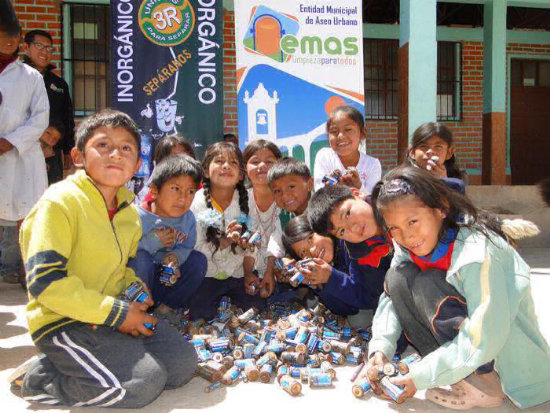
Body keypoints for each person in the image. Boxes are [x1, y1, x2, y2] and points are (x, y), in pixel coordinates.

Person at [12, 109, 197, 408]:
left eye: (126, 148)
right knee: (143, 384)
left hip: (109, 316)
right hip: (64, 323)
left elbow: (119, 270)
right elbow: (46, 285)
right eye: (103, 145)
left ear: (137, 164)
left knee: (181, 364)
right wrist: (120, 314)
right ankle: (41, 378)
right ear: (78, 156)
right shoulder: (58, 203)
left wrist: (135, 289)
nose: (115, 154)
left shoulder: (127, 213)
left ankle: (100, 356)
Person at [366, 166, 550, 409]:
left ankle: (487, 381)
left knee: (427, 282)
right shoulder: (408, 246)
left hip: (503, 357)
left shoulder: (478, 250)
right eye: (394, 228)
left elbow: (485, 336)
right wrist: (380, 349)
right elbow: (390, 299)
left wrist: (421, 376)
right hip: (465, 348)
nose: (407, 236)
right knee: (397, 277)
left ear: (441, 208)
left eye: (413, 221)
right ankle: (458, 374)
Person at [0, 2, 49, 286]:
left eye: (14, 36)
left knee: (26, 215)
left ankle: (27, 269)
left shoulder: (30, 76)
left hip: (22, 156)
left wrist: (11, 141)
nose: (9, 41)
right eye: (4, 34)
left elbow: (40, 118)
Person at [188, 141, 265, 320]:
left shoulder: (248, 201)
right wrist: (224, 242)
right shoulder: (196, 203)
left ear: (240, 175)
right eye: (219, 161)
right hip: (208, 274)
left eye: (233, 163)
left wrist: (248, 273)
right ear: (206, 171)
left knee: (258, 304)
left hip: (237, 273)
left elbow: (253, 245)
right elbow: (196, 249)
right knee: (201, 313)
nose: (226, 166)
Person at [128, 154, 207, 323]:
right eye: (175, 188)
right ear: (154, 190)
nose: (183, 198)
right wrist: (153, 241)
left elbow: (186, 247)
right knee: (141, 260)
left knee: (198, 261)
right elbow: (124, 252)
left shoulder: (188, 219)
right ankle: (136, 311)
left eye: (190, 191)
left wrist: (175, 258)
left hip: (167, 282)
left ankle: (168, 309)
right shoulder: (135, 216)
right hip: (139, 283)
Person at [306, 185, 392, 323]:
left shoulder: (397, 205)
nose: (353, 228)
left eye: (347, 214)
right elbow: (370, 296)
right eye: (341, 231)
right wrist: (331, 276)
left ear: (356, 193)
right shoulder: (359, 253)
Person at [283, 215, 381, 319]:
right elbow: (346, 310)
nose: (311, 251)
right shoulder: (324, 267)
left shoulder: (350, 242)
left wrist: (330, 276)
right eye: (303, 252)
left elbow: (370, 297)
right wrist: (319, 284)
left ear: (321, 228)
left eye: (310, 238)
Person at [23, 29, 75, 184]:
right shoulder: (15, 77)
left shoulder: (59, 84)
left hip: (51, 151)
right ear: (26, 47)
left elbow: (67, 117)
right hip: (21, 148)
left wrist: (67, 149)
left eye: (49, 48)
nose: (44, 52)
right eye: (39, 46)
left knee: (49, 192)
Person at [242, 139, 282, 298]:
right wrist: (247, 273)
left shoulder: (286, 198)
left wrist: (270, 271)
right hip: (247, 268)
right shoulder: (240, 199)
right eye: (255, 161)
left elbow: (279, 237)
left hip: (278, 266)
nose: (262, 166)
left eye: (269, 161)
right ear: (245, 169)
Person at [314, 105, 381, 194]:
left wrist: (358, 187)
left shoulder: (372, 164)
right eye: (334, 131)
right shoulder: (324, 156)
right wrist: (330, 188)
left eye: (348, 129)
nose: (341, 136)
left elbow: (373, 200)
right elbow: (319, 194)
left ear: (362, 133)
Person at [405, 122, 465, 193]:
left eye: (438, 147)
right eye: (423, 146)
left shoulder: (456, 185)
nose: (430, 151)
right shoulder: (402, 183)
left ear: (449, 152)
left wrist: (444, 182)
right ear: (412, 152)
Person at [267, 157, 313, 229]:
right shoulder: (283, 218)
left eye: (291, 187)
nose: (285, 196)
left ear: (309, 184)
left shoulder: (326, 210)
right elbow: (275, 240)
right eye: (277, 191)